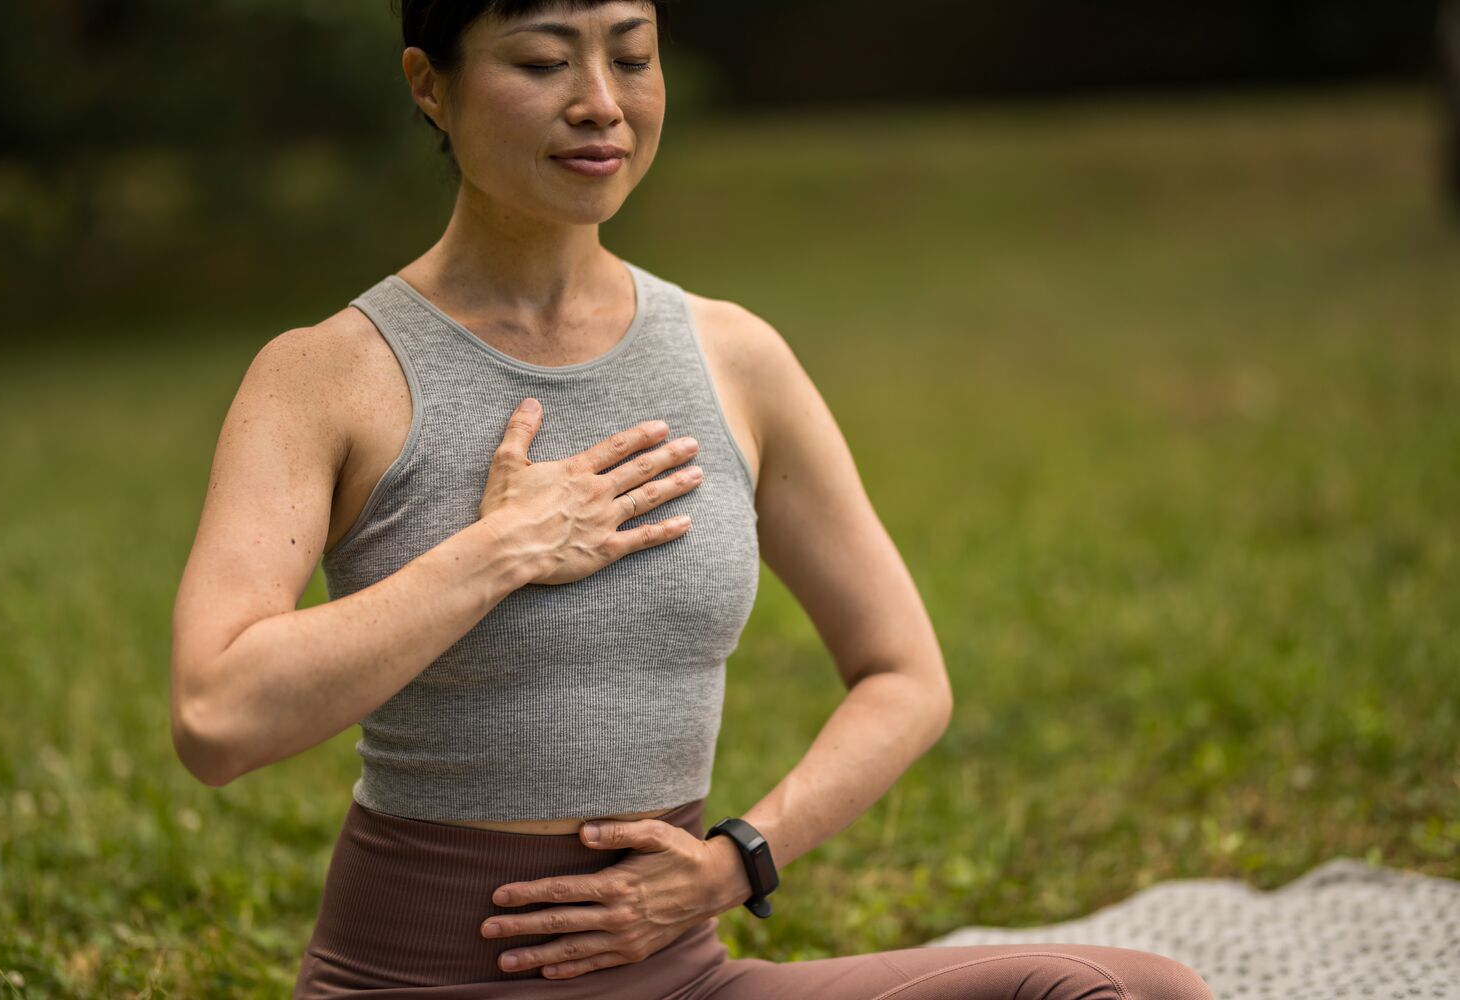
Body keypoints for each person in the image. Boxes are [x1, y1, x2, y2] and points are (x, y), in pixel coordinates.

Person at [168, 2, 1217, 997]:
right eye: (542, 62)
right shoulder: (326, 375)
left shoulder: (734, 357)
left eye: (630, 56)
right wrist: (502, 551)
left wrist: (733, 864)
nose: (600, 102)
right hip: (421, 973)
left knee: (1131, 990)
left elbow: (906, 676)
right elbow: (217, 717)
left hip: (679, 974)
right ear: (430, 86)